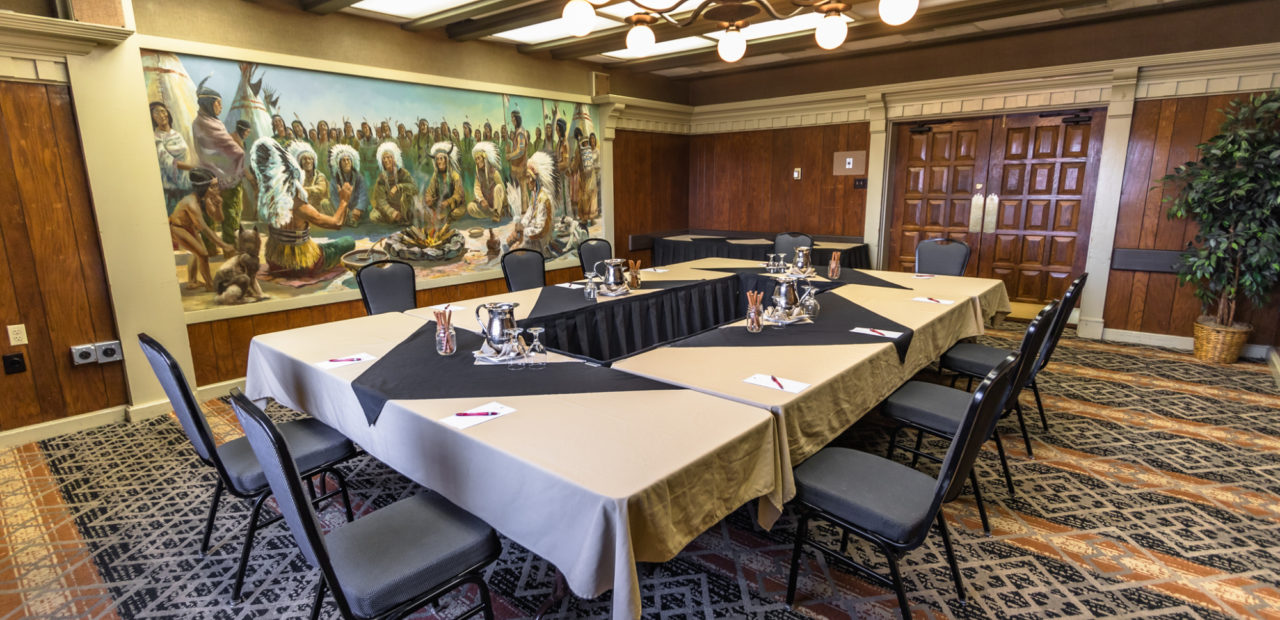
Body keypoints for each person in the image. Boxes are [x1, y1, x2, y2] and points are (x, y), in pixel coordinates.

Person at [250, 138, 355, 277]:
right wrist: (344, 201)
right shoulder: (299, 206)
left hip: (274, 262)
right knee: (348, 241)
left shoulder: (269, 201)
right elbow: (337, 223)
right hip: (302, 265)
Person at [191, 77, 246, 250]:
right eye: (218, 103)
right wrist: (240, 153)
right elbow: (233, 150)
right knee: (229, 212)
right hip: (223, 177)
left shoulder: (201, 122)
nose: (220, 107)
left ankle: (211, 248)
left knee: (209, 212)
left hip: (207, 175)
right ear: (209, 103)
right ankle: (228, 246)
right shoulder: (210, 124)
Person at [170, 168, 234, 291]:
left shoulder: (207, 199)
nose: (217, 189)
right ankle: (210, 284)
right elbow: (204, 228)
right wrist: (223, 245)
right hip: (177, 228)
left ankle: (193, 281)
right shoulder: (191, 202)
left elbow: (218, 218)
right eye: (213, 187)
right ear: (203, 188)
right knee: (203, 254)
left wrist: (218, 205)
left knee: (198, 253)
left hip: (189, 228)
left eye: (217, 185)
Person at [506, 152, 555, 255]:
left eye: (528, 177)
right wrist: (521, 226)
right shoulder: (535, 194)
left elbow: (540, 229)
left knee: (513, 252)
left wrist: (523, 232)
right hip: (530, 234)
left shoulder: (544, 198)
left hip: (539, 241)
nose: (527, 181)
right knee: (509, 242)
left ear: (535, 179)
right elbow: (529, 214)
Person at [150, 101, 194, 213]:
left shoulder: (177, 134)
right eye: (156, 114)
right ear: (153, 118)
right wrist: (193, 167)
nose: (161, 116)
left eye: (162, 111)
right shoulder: (156, 138)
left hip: (186, 184)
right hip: (171, 190)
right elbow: (168, 161)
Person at [369, 142, 416, 225]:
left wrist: (398, 187)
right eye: (384, 158)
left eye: (389, 157)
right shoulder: (381, 178)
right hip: (390, 207)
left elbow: (414, 188)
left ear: (394, 158)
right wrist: (392, 212)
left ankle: (405, 218)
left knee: (407, 198)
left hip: (403, 205)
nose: (387, 160)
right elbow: (380, 199)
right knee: (373, 216)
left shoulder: (403, 173)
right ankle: (395, 218)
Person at [422, 141, 465, 224]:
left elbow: (458, 195)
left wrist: (447, 202)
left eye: (441, 158)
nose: (439, 162)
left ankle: (443, 217)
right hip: (439, 205)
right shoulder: (435, 176)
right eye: (437, 159)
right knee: (422, 209)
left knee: (456, 213)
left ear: (446, 160)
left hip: (453, 206)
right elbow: (429, 191)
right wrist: (428, 198)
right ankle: (439, 217)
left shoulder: (455, 175)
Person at [466, 141, 506, 223]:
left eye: (479, 158)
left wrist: (501, 205)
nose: (477, 161)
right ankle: (491, 215)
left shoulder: (494, 172)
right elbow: (476, 188)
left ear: (484, 159)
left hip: (497, 205)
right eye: (476, 159)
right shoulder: (478, 175)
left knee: (498, 187)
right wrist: (481, 200)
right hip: (486, 206)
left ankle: (497, 213)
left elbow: (502, 190)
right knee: (470, 207)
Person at [289, 141, 332, 216]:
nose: (307, 161)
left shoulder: (319, 175)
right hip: (303, 206)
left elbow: (320, 189)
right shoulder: (297, 176)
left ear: (313, 162)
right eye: (304, 159)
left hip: (318, 207)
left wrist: (303, 190)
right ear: (300, 162)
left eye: (310, 159)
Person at [329, 144, 368, 225]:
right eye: (343, 160)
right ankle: (346, 219)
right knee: (325, 203)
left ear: (352, 162)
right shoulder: (334, 179)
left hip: (355, 207)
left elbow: (363, 195)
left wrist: (358, 209)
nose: (346, 162)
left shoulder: (358, 177)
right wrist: (343, 210)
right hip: (341, 208)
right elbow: (334, 197)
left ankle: (351, 218)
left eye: (348, 160)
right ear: (339, 164)